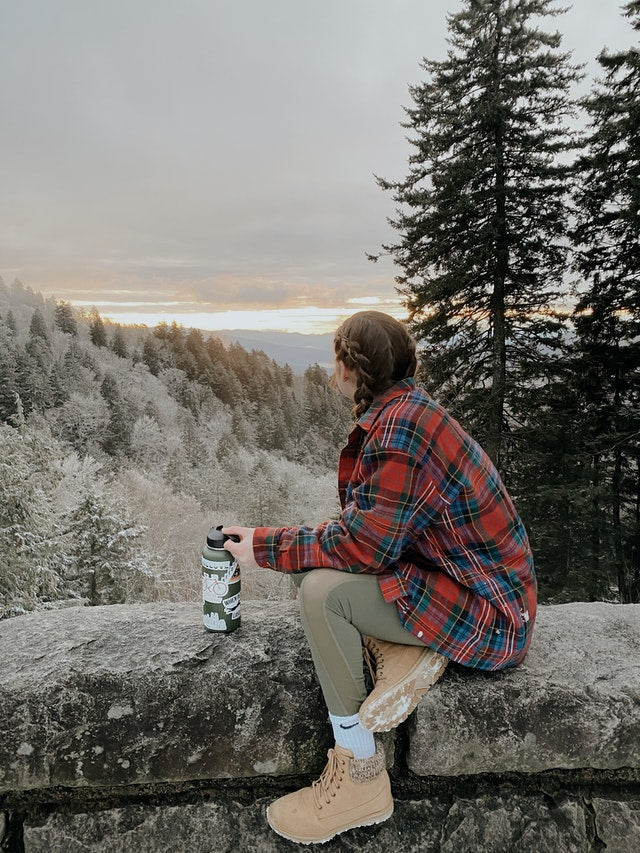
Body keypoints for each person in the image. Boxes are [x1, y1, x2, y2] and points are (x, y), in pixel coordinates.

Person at [223, 310, 537, 845]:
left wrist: (262, 545)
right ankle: (402, 650)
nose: (329, 374)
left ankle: (360, 774)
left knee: (322, 592)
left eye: (334, 361)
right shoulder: (407, 413)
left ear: (351, 368)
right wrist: (283, 547)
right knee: (313, 565)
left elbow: (362, 546)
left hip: (490, 616)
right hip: (460, 586)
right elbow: (367, 531)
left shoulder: (403, 430)